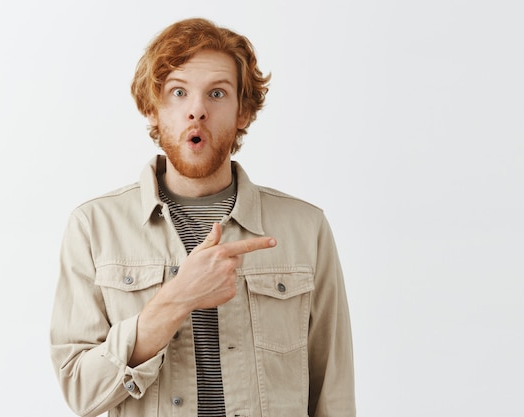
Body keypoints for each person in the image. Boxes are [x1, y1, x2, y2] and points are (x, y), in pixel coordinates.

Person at [49, 17, 355, 417]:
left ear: (243, 112)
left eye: (217, 93)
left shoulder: (305, 229)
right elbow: (80, 391)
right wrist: (177, 298)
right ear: (153, 109)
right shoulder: (93, 227)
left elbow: (333, 391)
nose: (197, 111)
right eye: (178, 92)